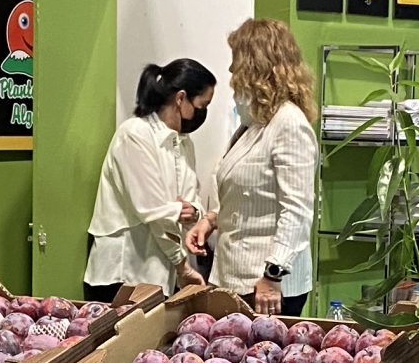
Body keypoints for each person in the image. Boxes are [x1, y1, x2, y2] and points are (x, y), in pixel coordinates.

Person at [191, 17, 320, 317]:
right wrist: (211, 220)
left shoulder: (288, 124)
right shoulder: (255, 123)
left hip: (267, 287)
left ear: (255, 64)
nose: (231, 70)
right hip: (236, 278)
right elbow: (252, 196)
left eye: (236, 60)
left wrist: (273, 274)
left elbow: (297, 210)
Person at [83, 59, 215, 300]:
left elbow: (190, 201)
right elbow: (152, 210)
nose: (203, 113)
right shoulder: (135, 134)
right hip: (124, 273)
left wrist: (193, 212)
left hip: (164, 277)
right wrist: (182, 264)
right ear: (181, 98)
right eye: (202, 105)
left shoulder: (184, 143)